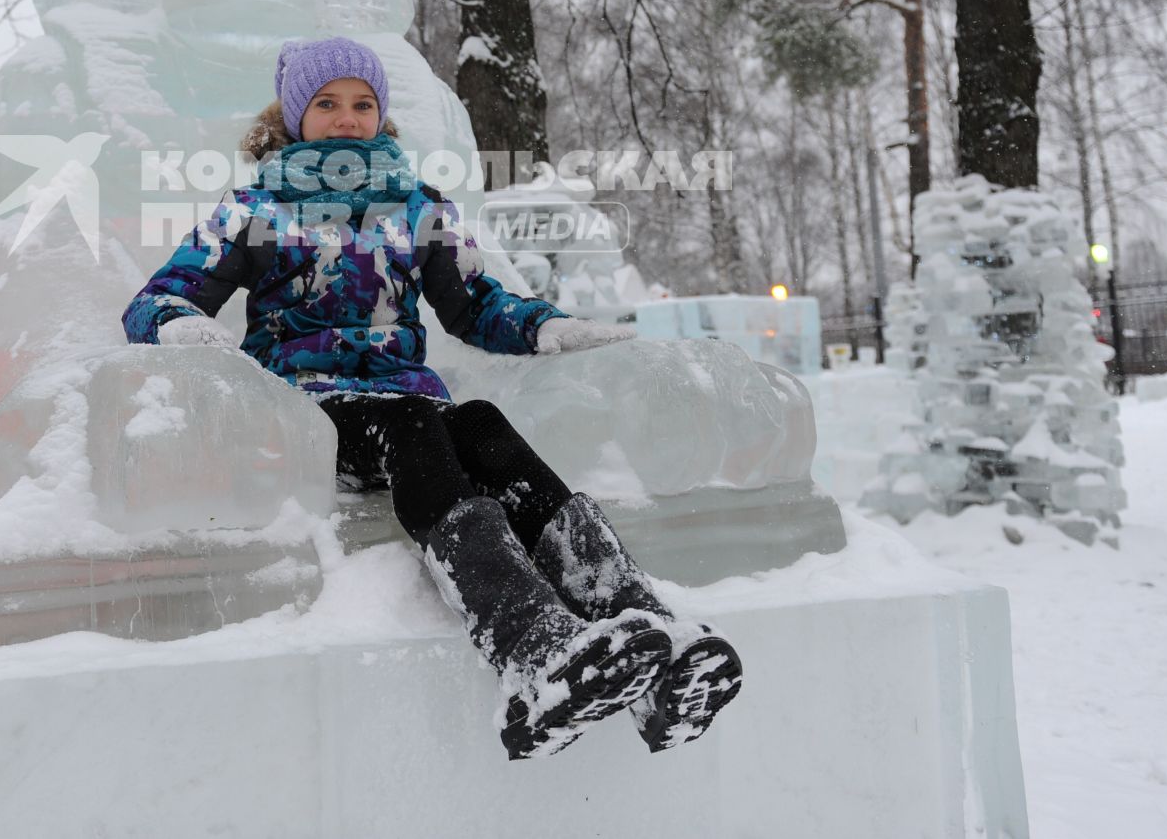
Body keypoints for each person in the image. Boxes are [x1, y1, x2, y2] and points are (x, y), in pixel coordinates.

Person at [124, 37, 742, 761]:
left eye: (362, 103)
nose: (347, 117)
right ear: (294, 116)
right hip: (308, 405)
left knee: (479, 421)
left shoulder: (415, 204)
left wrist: (549, 327)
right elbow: (159, 296)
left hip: (402, 395)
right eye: (327, 104)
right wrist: (182, 324)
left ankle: (641, 628)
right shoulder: (257, 203)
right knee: (413, 417)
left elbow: (475, 303)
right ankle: (530, 646)